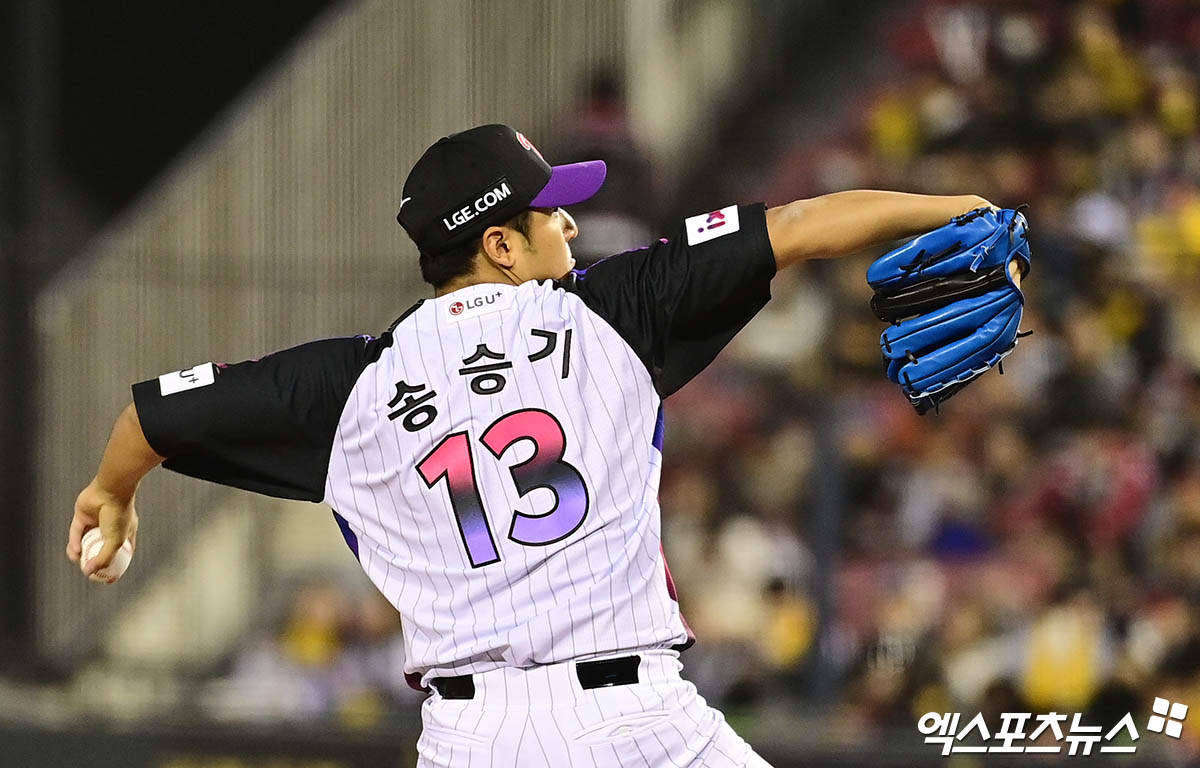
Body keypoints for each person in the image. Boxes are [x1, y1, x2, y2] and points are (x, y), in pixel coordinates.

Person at [67, 123, 996, 767]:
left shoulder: (344, 385)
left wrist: (114, 491)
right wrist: (963, 207)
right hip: (638, 720)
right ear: (502, 246)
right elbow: (799, 227)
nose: (571, 223)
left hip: (475, 737)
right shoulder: (613, 311)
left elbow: (156, 414)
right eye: (551, 211)